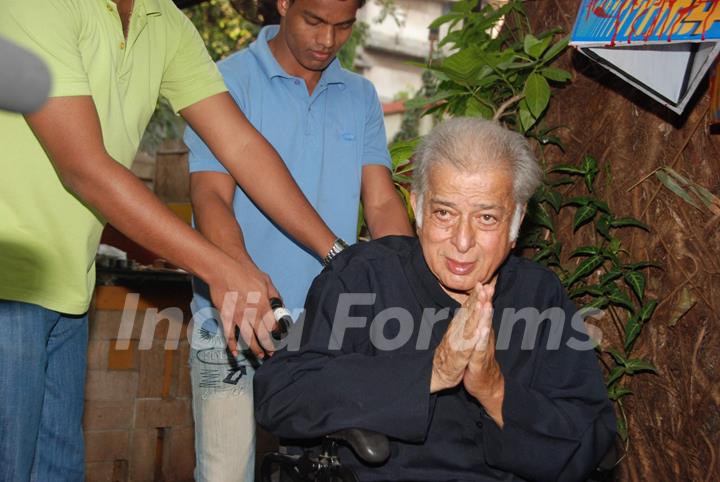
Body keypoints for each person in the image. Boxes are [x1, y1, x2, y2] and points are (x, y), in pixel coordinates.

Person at [0, 0, 345, 480]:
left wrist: (338, 254)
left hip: (66, 289)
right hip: (7, 283)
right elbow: (85, 168)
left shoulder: (163, 21)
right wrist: (220, 267)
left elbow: (240, 145)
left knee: (57, 471)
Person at [255, 117, 617, 481]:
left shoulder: (539, 296)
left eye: (487, 218)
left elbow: (590, 438)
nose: (462, 241)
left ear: (516, 222)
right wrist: (434, 371)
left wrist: (495, 390)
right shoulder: (363, 278)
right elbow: (281, 394)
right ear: (418, 208)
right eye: (444, 213)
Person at [183, 0, 414, 479]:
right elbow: (210, 198)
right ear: (283, 4)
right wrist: (239, 277)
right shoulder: (224, 82)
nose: (327, 40)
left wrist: (408, 285)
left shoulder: (360, 95)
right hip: (229, 318)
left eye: (343, 26)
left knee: (318, 471)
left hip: (326, 329)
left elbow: (382, 203)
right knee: (227, 471)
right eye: (314, 21)